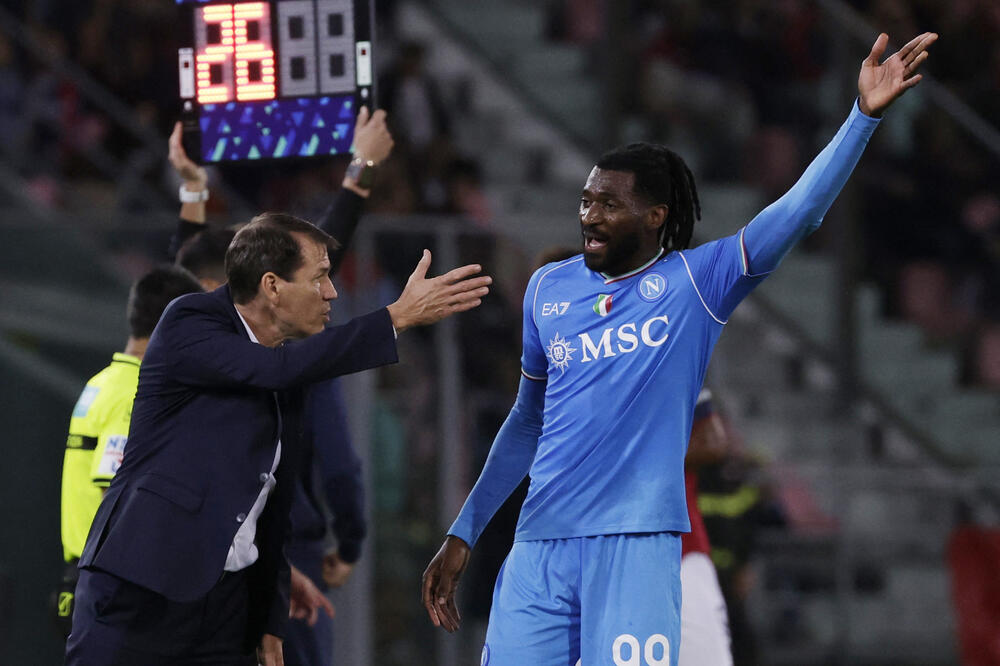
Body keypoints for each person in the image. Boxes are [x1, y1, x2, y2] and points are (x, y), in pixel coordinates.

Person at [421, 32, 937, 665]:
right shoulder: (548, 288)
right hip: (539, 547)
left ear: (656, 216)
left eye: (609, 204)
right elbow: (527, 421)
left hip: (635, 548)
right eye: (586, 200)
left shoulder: (696, 282)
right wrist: (464, 531)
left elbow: (796, 214)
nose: (589, 216)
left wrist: (861, 118)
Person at [66, 213, 492, 662]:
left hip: (224, 611)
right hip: (142, 588)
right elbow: (275, 370)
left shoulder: (286, 366)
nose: (332, 292)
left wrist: (269, 620)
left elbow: (270, 512)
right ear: (271, 286)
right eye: (320, 277)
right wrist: (394, 318)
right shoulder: (190, 320)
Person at [166, 107, 393, 665]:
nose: (326, 291)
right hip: (253, 552)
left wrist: (193, 189)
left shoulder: (198, 345)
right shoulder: (274, 355)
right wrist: (351, 539)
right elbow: (339, 462)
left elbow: (299, 265)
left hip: (223, 556)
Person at [56, 265, 204, 637]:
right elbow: (117, 494)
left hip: (82, 578)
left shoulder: (102, 382)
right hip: (112, 590)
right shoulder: (135, 393)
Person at [679, 388, 733, 666]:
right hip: (602, 552)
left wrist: (641, 453)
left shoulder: (664, 368)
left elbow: (714, 440)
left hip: (681, 550)